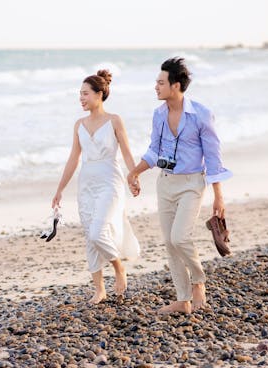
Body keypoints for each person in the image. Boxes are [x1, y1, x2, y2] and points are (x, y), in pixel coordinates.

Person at [128, 57, 232, 314]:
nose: (156, 86)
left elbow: (214, 158)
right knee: (169, 242)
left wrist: (219, 197)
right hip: (165, 183)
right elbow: (154, 150)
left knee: (180, 237)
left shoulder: (201, 115)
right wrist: (135, 172)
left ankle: (198, 281)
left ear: (175, 86)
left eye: (160, 82)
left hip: (192, 184)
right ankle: (182, 299)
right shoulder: (159, 114)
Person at [53, 70, 140, 304]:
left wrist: (133, 176)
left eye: (85, 94)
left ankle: (118, 267)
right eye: (79, 94)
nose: (81, 98)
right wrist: (60, 189)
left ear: (99, 94)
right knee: (90, 237)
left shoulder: (114, 120)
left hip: (110, 182)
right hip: (86, 184)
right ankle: (99, 289)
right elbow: (73, 158)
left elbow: (127, 152)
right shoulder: (79, 124)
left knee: (97, 231)